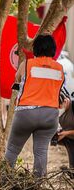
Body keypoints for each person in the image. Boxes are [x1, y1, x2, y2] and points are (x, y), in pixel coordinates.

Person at [5, 34, 64, 177]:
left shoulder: (27, 64)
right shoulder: (59, 68)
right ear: (53, 49)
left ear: (36, 48)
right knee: (41, 151)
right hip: (50, 114)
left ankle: (4, 180)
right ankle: (38, 183)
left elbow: (17, 79)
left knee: (13, 149)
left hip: (26, 113)